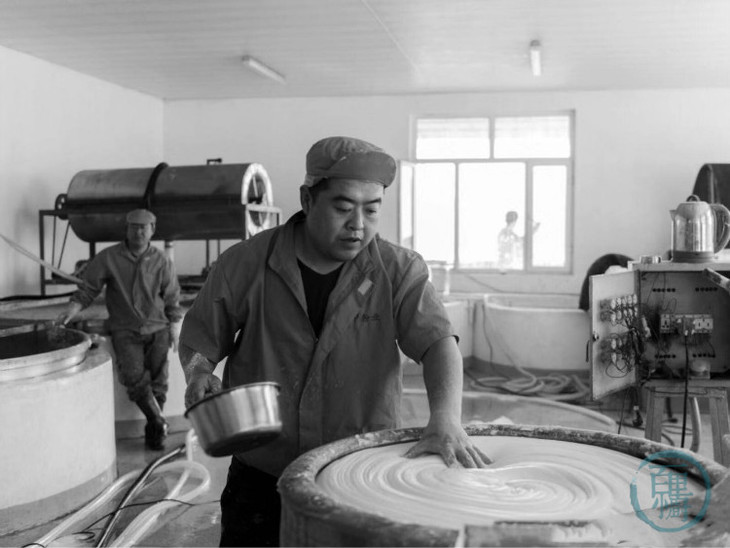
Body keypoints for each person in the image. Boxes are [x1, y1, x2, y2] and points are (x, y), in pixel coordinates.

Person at [179, 136, 492, 547]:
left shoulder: (397, 270)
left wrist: (446, 418)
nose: (358, 224)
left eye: (372, 209)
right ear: (307, 199)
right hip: (263, 473)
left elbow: (437, 343)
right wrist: (198, 371)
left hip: (359, 467)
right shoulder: (246, 263)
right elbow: (201, 338)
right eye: (343, 208)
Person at [57, 208, 183, 450]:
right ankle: (158, 420)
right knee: (133, 377)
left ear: (153, 230)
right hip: (125, 330)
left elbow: (172, 297)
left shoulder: (161, 261)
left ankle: (155, 430)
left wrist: (175, 327)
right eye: (134, 227)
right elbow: (88, 289)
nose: (138, 232)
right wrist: (72, 309)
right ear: (126, 229)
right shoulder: (108, 258)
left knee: (159, 381)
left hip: (158, 328)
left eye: (143, 227)